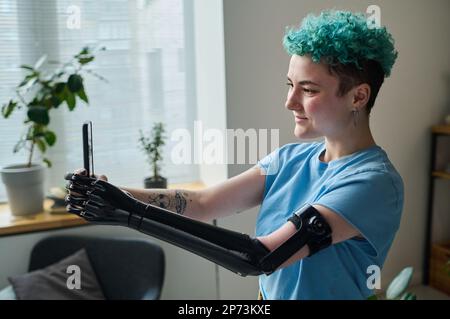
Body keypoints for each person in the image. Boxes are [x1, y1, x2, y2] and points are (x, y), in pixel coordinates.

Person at [66, 10, 403, 299]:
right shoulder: (290, 159)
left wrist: (128, 214)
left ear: (358, 97)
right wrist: (113, 195)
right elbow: (203, 203)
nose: (290, 102)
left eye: (309, 90)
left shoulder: (372, 183)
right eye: (290, 85)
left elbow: (259, 257)